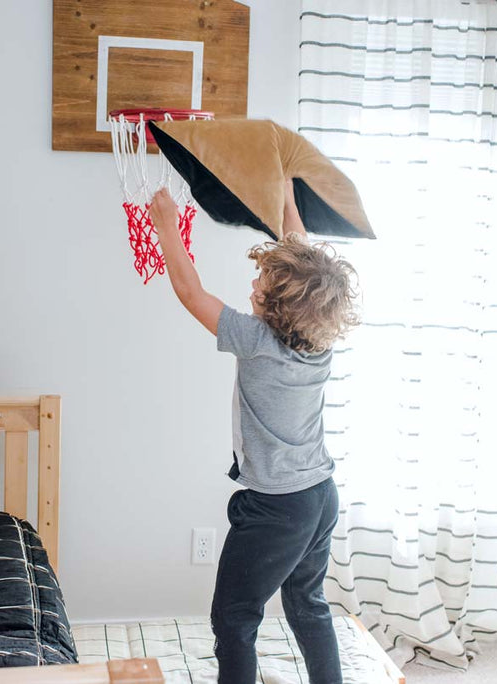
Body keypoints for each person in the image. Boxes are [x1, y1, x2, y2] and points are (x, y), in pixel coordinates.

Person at [148, 180, 360, 683]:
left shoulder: (255, 340)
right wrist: (285, 192)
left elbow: (189, 291)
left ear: (279, 306)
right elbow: (300, 250)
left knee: (235, 617)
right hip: (320, 497)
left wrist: (166, 227)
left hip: (277, 508)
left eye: (261, 284)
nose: (252, 287)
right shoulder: (318, 342)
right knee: (308, 602)